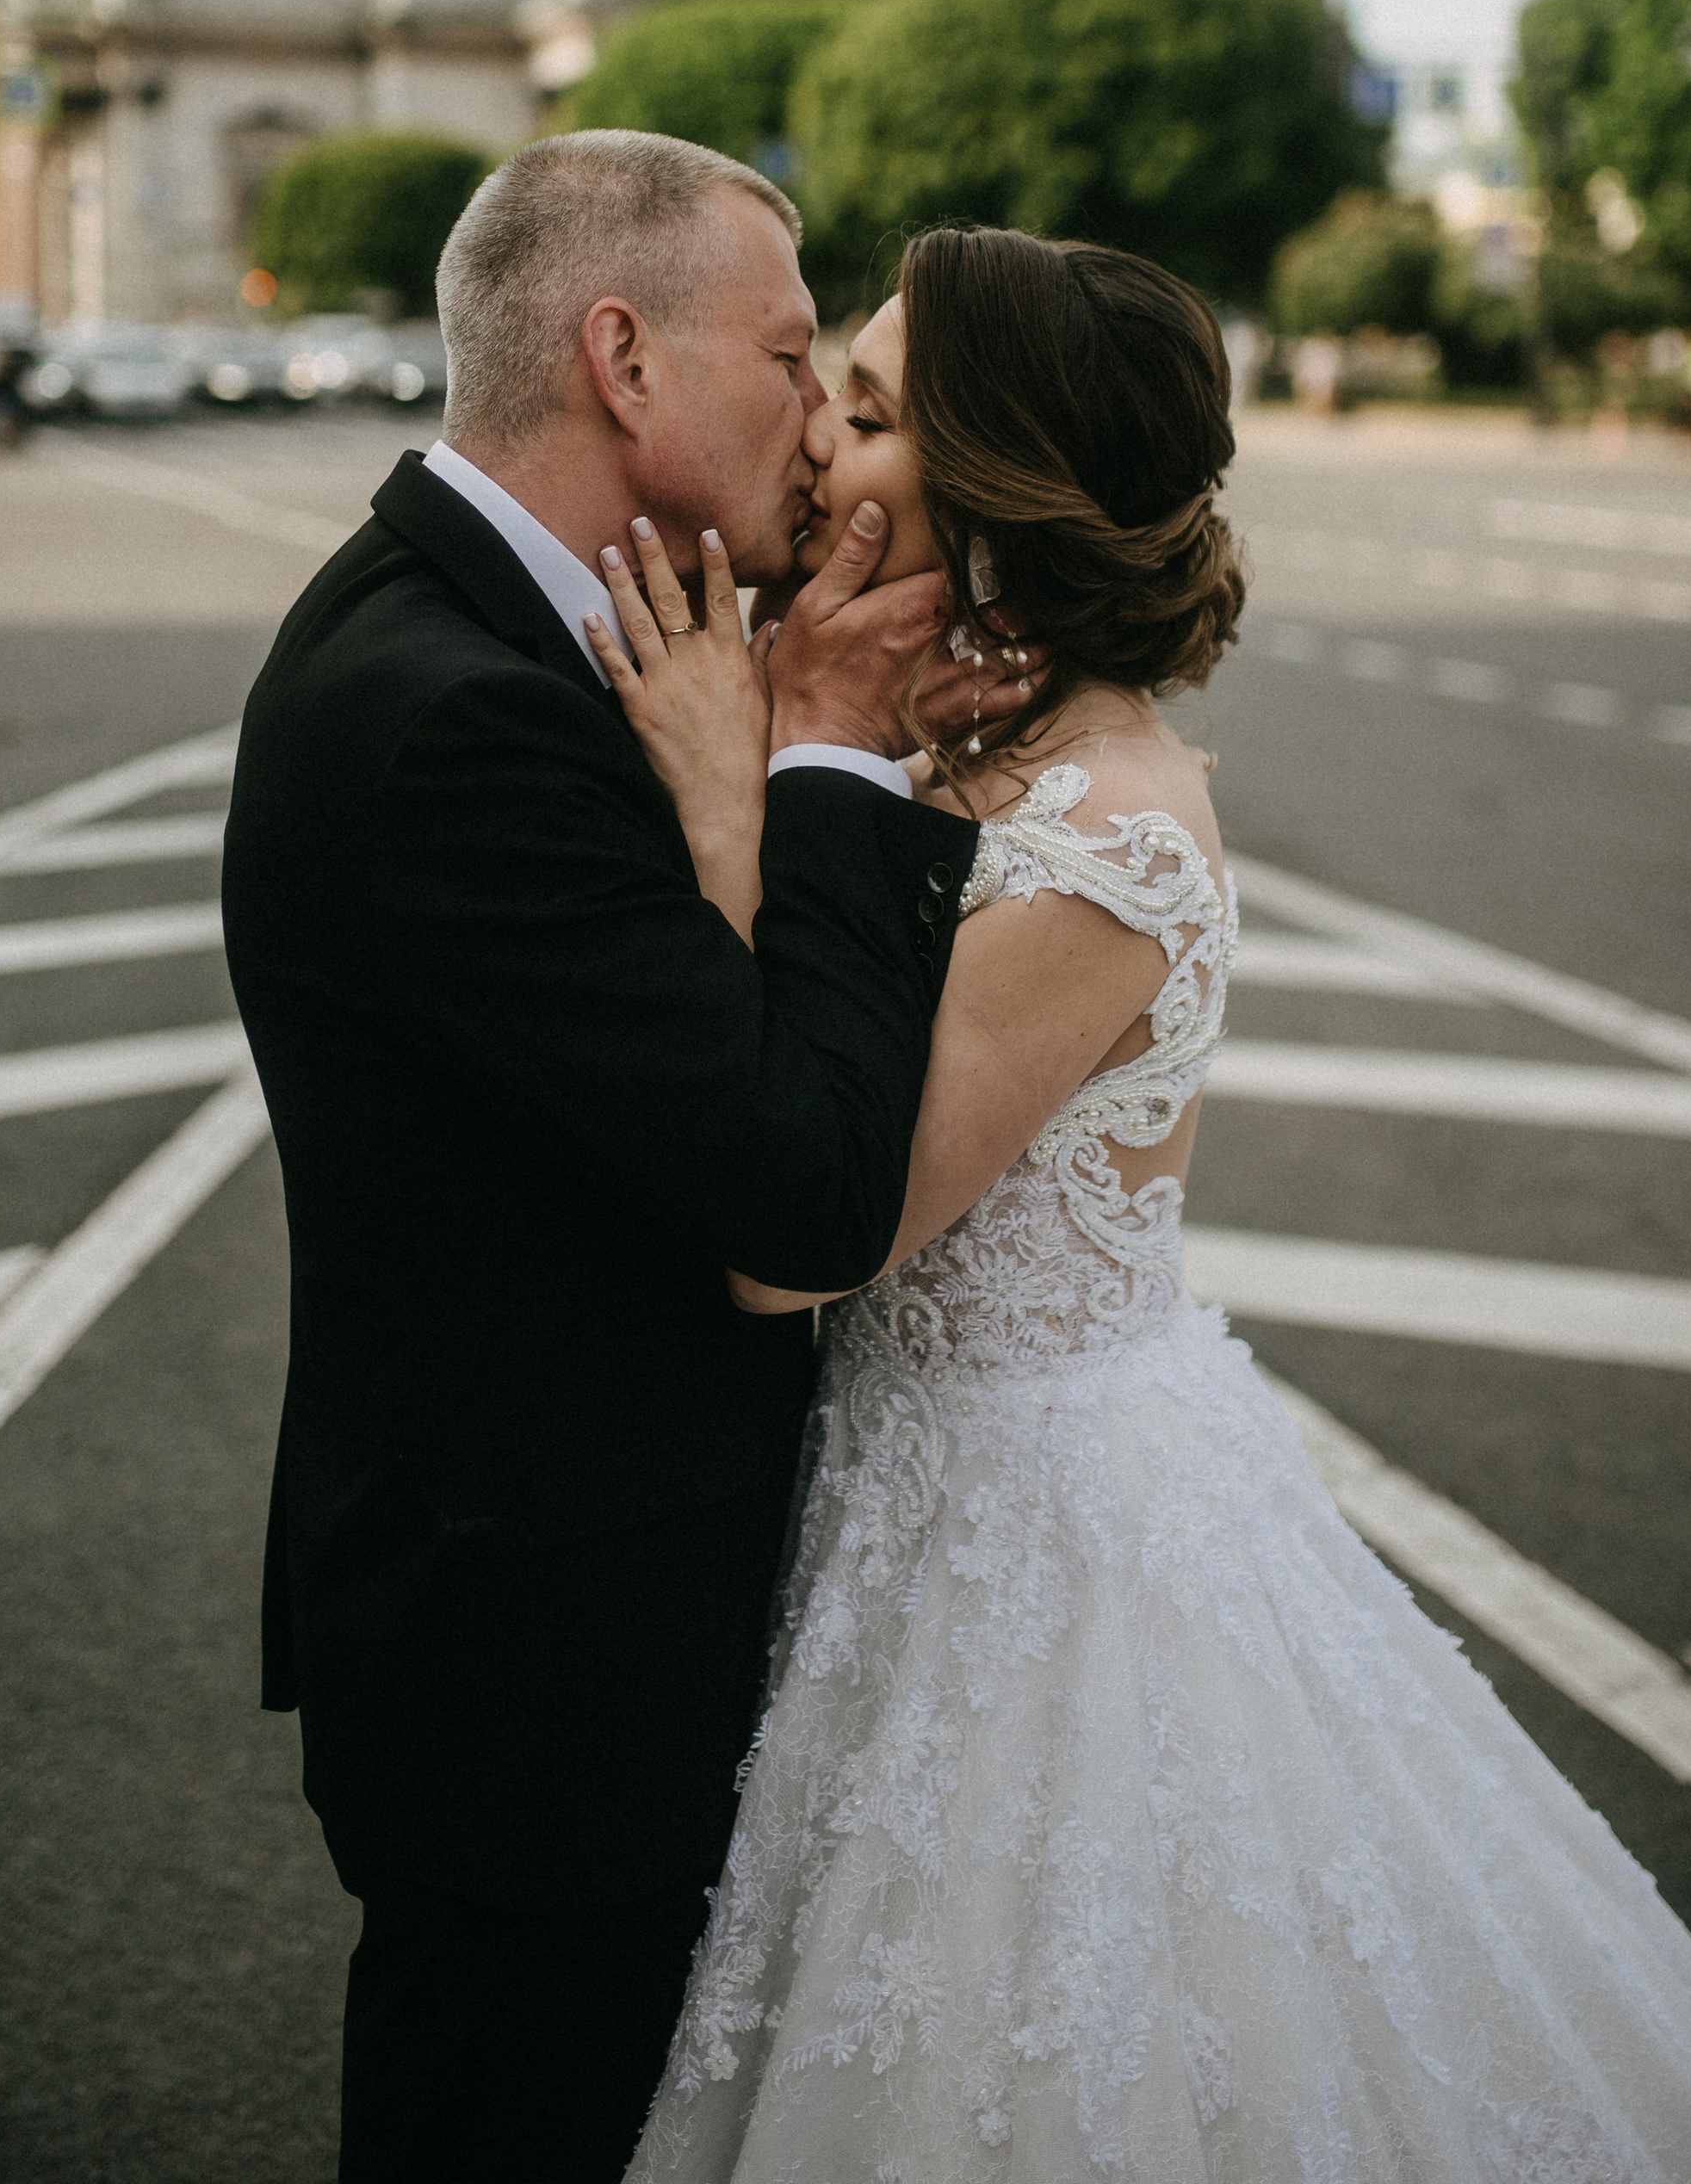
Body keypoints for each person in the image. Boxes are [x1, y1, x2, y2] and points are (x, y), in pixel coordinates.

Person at [603, 223, 1691, 2184]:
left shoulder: (1103, 838)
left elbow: (799, 1239)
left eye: (859, 412)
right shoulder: (963, 747)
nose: (814, 447)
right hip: (897, 1477)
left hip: (1033, 1528)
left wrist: (725, 804)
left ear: (993, 491)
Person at [220, 133, 1034, 2182]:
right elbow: (795, 1189)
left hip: (567, 1622)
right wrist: (829, 754)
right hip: (542, 1678)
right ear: (624, 361)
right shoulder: (451, 716)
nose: (824, 432)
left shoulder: (519, 635)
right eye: (786, 358)